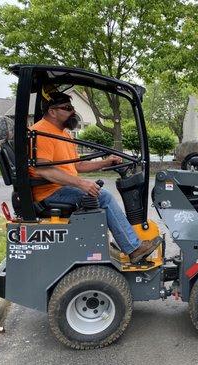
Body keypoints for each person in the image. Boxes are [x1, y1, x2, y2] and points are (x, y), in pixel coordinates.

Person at [30, 90, 158, 263]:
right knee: (103, 197)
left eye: (72, 108)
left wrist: (106, 162)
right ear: (52, 111)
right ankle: (133, 248)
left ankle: (125, 242)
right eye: (67, 108)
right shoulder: (42, 133)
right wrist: (82, 184)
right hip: (49, 193)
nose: (73, 112)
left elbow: (77, 165)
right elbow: (43, 170)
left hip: (62, 188)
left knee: (101, 195)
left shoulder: (63, 134)